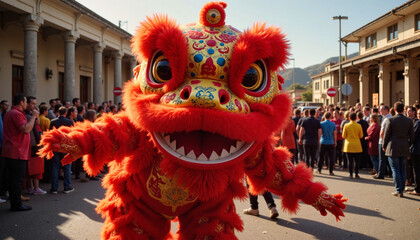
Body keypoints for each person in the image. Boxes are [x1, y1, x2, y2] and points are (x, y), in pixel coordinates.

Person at [2, 93, 39, 211]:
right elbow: (26, 129)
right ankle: (16, 204)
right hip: (16, 152)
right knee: (17, 180)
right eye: (26, 102)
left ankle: (15, 202)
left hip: (12, 151)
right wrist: (33, 116)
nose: (27, 104)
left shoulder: (10, 113)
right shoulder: (17, 114)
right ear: (21, 102)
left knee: (14, 179)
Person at [383, 102, 414, 197]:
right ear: (403, 110)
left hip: (393, 146)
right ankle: (402, 188)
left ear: (395, 110)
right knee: (402, 169)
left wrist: (384, 145)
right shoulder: (409, 121)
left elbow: (386, 134)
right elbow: (412, 136)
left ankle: (399, 190)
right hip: (404, 146)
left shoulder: (391, 120)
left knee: (395, 169)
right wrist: (408, 144)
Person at [50, 107, 75, 194]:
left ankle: (54, 188)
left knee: (55, 166)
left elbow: (51, 134)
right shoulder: (69, 122)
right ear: (66, 113)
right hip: (66, 146)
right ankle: (67, 187)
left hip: (56, 146)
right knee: (67, 167)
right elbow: (72, 134)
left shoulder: (53, 121)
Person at [25, 97, 46, 195]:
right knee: (36, 166)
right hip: (33, 144)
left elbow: (37, 124)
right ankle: (35, 188)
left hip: (30, 143)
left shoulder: (30, 115)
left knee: (30, 166)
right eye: (33, 104)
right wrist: (39, 143)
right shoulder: (29, 116)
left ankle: (31, 187)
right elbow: (34, 129)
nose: (34, 106)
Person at [342, 112, 363, 179]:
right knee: (357, 161)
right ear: (356, 118)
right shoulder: (359, 125)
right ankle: (356, 174)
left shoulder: (346, 125)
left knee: (350, 161)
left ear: (349, 118)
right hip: (357, 145)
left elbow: (343, 135)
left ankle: (351, 174)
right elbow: (361, 136)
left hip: (348, 145)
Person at [374, 105, 392, 179]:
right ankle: (389, 173)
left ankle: (381, 174)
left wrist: (384, 142)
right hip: (388, 141)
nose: (380, 111)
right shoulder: (388, 117)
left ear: (386, 110)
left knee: (382, 159)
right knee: (388, 159)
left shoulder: (386, 119)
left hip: (383, 141)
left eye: (382, 109)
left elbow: (382, 132)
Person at [408, 109, 420, 196]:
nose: (418, 115)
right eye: (418, 113)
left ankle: (417, 189)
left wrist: (408, 147)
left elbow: (413, 136)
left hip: (417, 150)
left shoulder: (418, 123)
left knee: (416, 170)